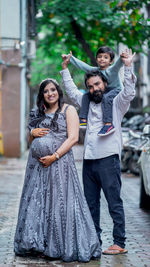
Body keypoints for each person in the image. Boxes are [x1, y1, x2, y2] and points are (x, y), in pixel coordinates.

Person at [14, 78, 101, 262]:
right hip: (37, 168)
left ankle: (60, 245)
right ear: (42, 95)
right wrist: (31, 133)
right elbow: (31, 141)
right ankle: (39, 243)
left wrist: (54, 156)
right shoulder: (38, 113)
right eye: (46, 91)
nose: (50, 93)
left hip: (60, 164)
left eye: (53, 90)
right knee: (39, 203)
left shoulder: (68, 110)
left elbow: (73, 138)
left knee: (60, 202)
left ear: (58, 91)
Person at [61, 49, 136, 255]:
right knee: (91, 205)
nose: (94, 88)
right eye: (90, 86)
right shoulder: (85, 101)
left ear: (105, 84)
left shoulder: (117, 103)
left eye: (97, 84)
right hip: (88, 161)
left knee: (114, 203)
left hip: (108, 159)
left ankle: (119, 243)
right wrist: (65, 69)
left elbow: (129, 91)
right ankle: (94, 242)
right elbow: (71, 91)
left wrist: (128, 66)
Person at [64, 46, 124, 136]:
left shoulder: (112, 70)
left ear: (111, 61)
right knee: (86, 95)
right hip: (106, 90)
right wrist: (71, 58)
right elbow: (83, 66)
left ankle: (108, 124)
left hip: (116, 90)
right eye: (100, 57)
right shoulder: (95, 70)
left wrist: (122, 58)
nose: (102, 59)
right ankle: (83, 119)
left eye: (105, 57)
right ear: (96, 59)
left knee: (106, 98)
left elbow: (118, 64)